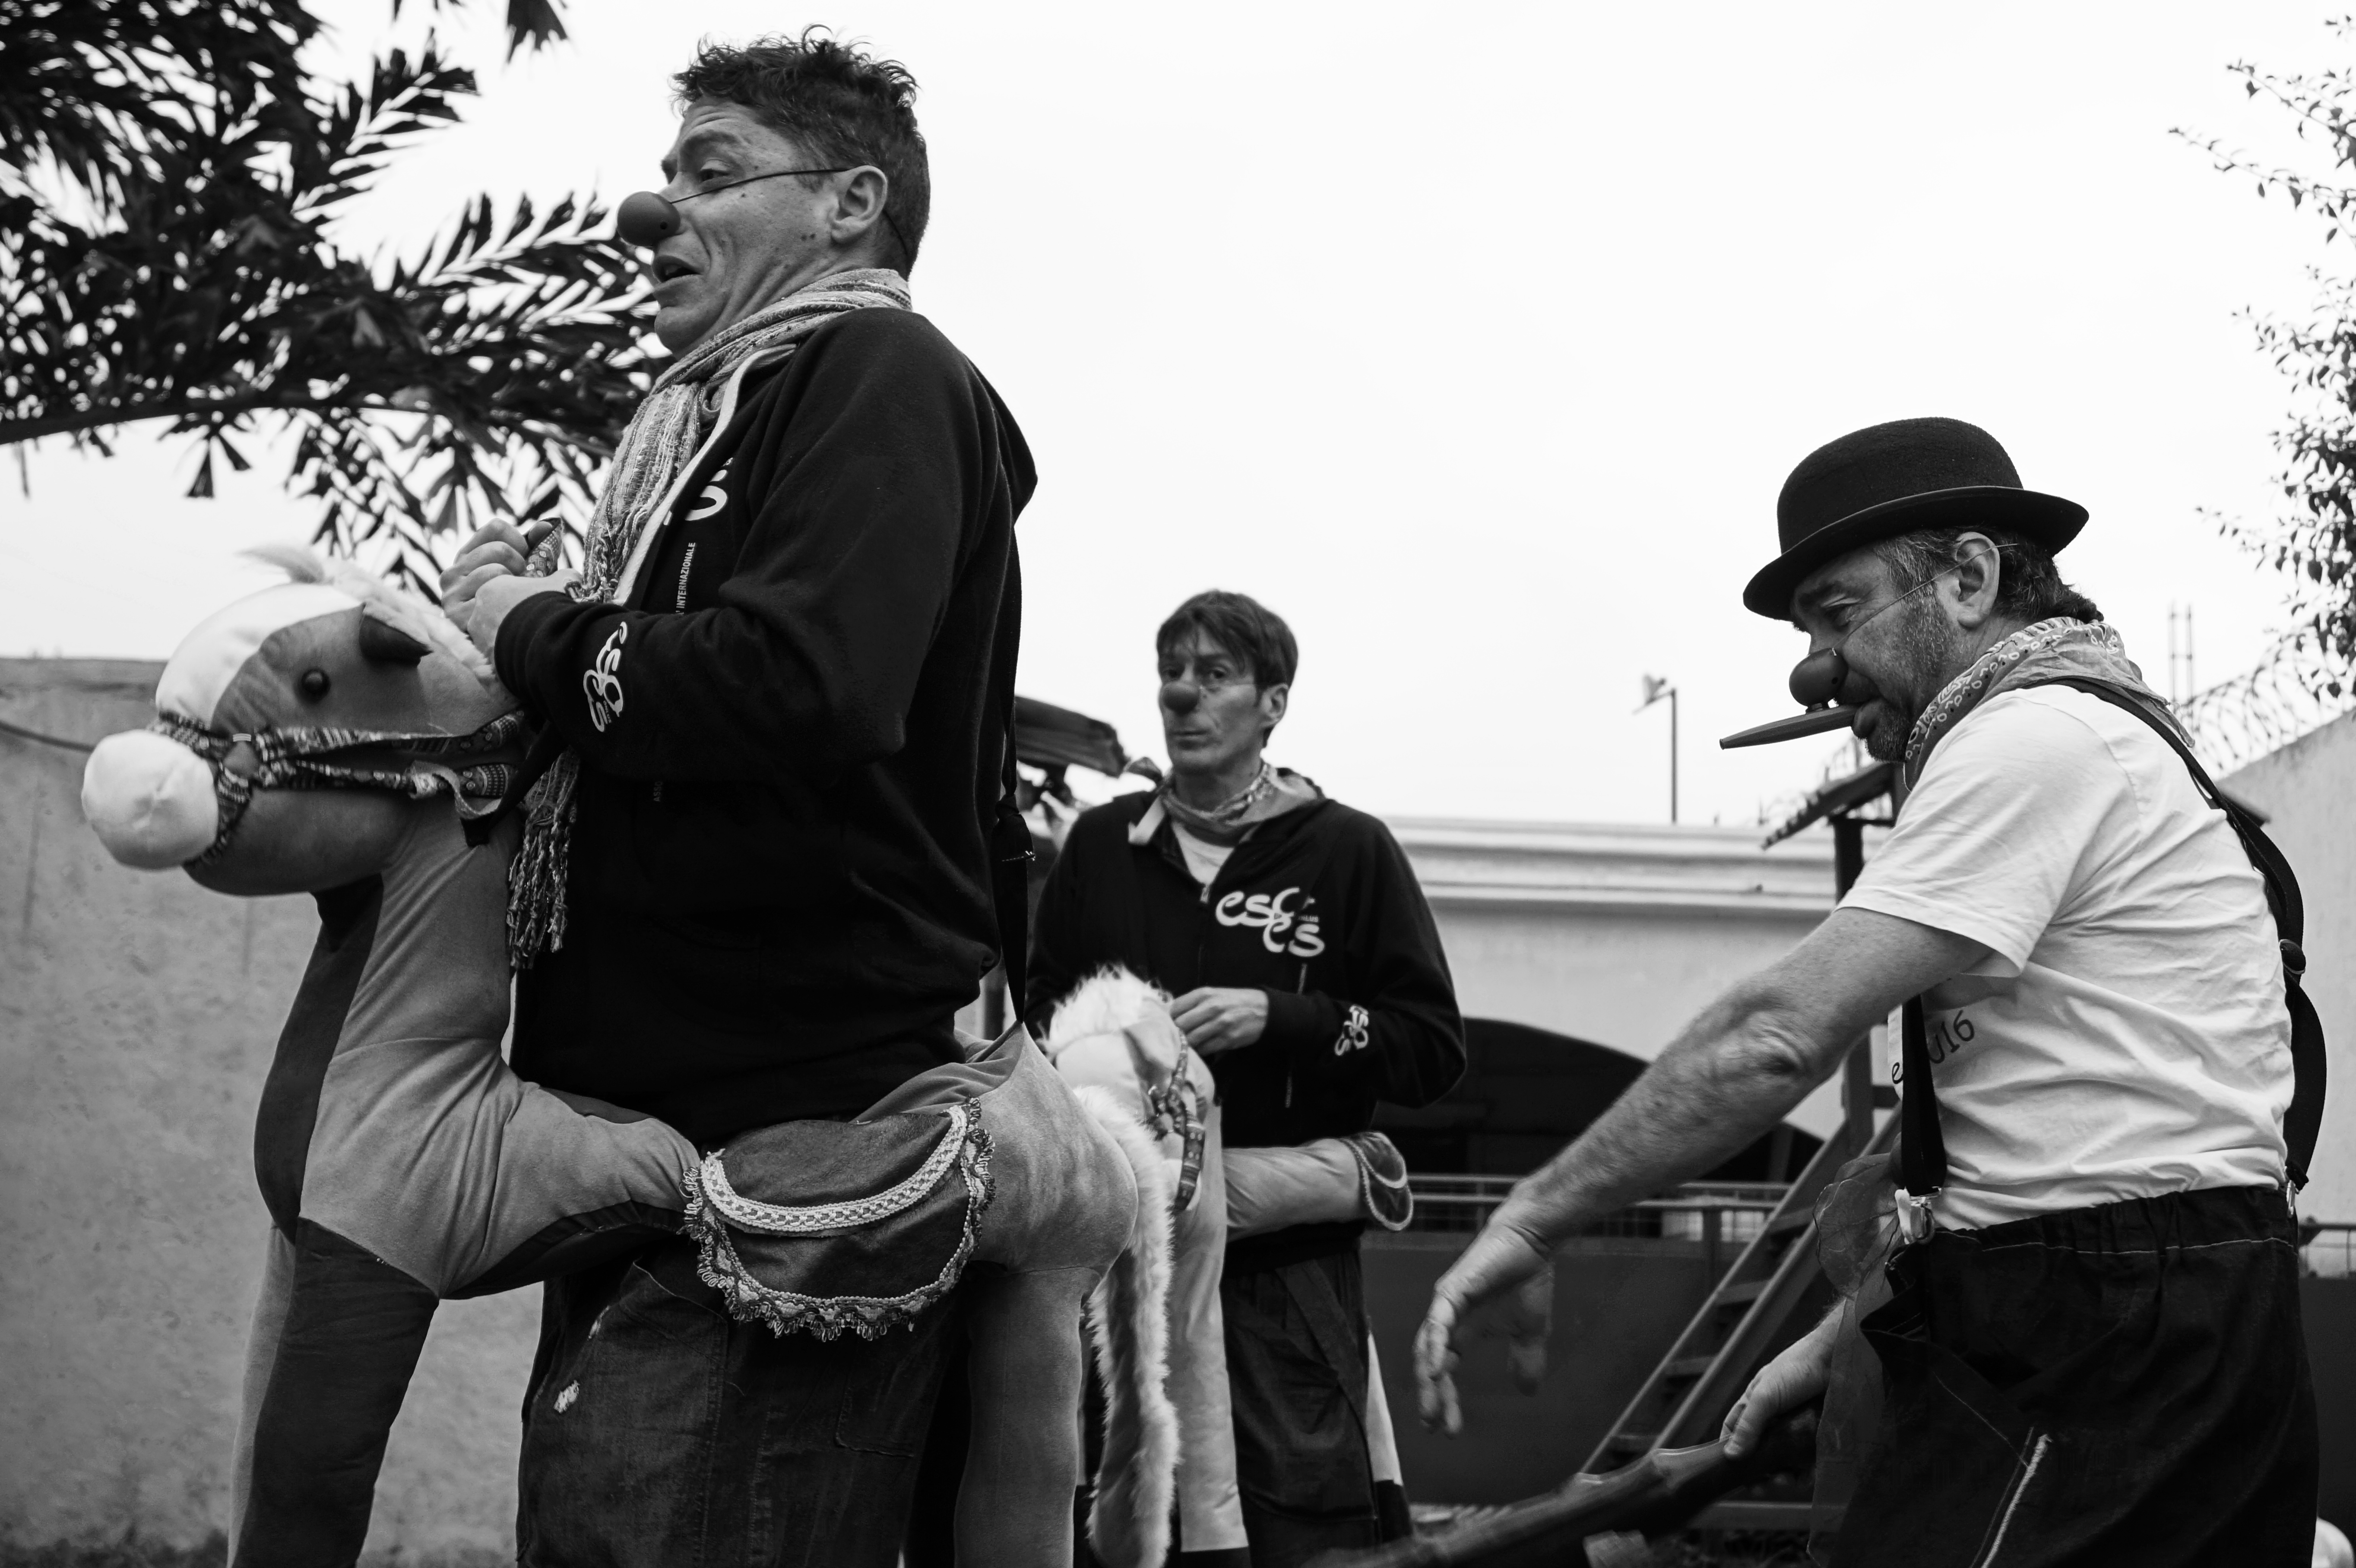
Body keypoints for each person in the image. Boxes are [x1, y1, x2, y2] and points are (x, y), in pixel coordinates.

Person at [1414, 417, 2321, 1567]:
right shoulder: (2083, 732)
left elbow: (1774, 1036)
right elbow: (2051, 1131)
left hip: (2114, 1341)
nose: (1815, 672)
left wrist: (1535, 1213)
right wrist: (1839, 1337)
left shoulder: (2035, 737)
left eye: (1838, 616)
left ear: (1970, 578)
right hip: (2147, 1323)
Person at [443, 33, 1035, 1567]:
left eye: (710, 174)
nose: (654, 213)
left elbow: (799, 683)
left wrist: (531, 627)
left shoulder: (880, 372)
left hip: (789, 1155)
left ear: (850, 203)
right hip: (653, 1149)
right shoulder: (711, 418)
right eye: (667, 174)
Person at [1029, 589, 1466, 1567]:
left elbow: (1433, 1049)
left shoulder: (1347, 849)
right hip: (1126, 1272)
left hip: (1288, 1280)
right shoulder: (1099, 848)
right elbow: (1041, 1022)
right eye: (1171, 672)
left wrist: (1286, 1016)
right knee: (1118, 1529)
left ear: (1273, 703)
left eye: (1215, 675)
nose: (1182, 695)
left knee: (1302, 1536)